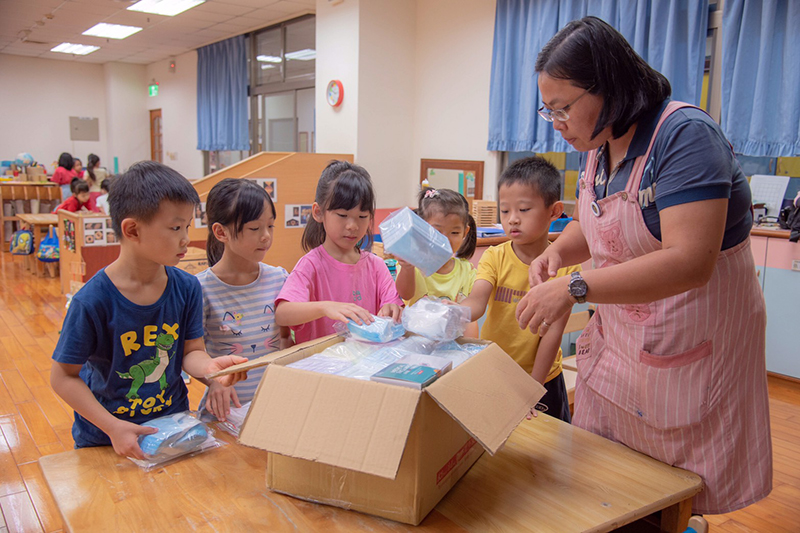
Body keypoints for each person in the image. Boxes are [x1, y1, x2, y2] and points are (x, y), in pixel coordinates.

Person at [515, 17, 771, 514]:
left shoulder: (685, 137)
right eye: (549, 111)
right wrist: (557, 253)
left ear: (608, 89)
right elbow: (595, 223)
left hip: (689, 340)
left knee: (673, 492)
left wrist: (574, 286)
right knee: (615, 482)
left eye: (563, 108)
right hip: (625, 344)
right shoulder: (600, 144)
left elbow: (688, 261)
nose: (558, 123)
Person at [50, 161, 248, 459]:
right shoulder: (92, 301)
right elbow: (62, 376)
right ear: (132, 230)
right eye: (175, 227)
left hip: (171, 427)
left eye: (187, 227)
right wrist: (113, 427)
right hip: (107, 438)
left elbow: (190, 351)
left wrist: (209, 369)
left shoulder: (187, 288)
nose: (185, 238)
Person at [460, 157, 579, 422]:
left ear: (554, 210)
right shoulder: (494, 257)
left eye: (524, 209)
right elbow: (477, 302)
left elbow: (553, 333)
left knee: (544, 453)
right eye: (505, 211)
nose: (512, 219)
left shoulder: (565, 267)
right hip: (496, 374)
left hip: (542, 378)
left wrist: (532, 389)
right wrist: (452, 312)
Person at [275, 160, 403, 344]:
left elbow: (393, 307)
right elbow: (282, 314)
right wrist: (325, 308)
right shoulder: (310, 265)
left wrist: (392, 309)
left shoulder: (376, 265)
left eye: (362, 217)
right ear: (318, 212)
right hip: (321, 368)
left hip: (365, 367)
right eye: (342, 215)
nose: (352, 226)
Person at [196, 178, 292, 421]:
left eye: (270, 226)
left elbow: (284, 339)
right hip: (226, 412)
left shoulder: (279, 278)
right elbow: (192, 353)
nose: (266, 236)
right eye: (254, 228)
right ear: (221, 232)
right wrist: (214, 380)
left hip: (274, 408)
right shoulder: (200, 288)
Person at [394, 187, 479, 336]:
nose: (445, 239)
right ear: (422, 229)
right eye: (437, 232)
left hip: (453, 345)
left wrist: (470, 350)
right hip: (417, 340)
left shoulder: (467, 271)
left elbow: (470, 318)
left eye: (454, 232)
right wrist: (407, 268)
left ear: (465, 233)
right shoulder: (413, 264)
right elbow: (405, 295)